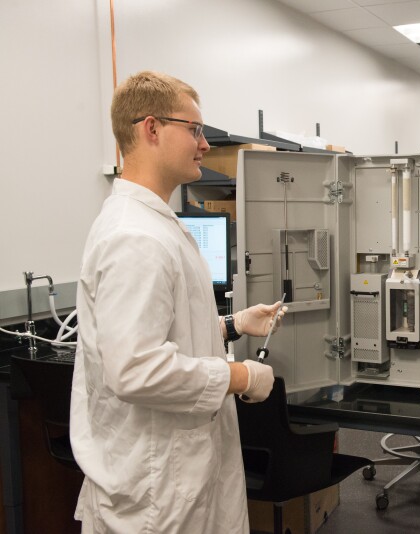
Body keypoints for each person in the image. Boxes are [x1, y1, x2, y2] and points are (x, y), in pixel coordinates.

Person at [70, 71, 285, 533]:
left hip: (169, 479)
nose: (204, 144)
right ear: (151, 128)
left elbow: (162, 327)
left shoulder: (153, 222)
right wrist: (242, 374)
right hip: (155, 493)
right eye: (194, 129)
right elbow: (136, 369)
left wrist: (231, 325)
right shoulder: (135, 236)